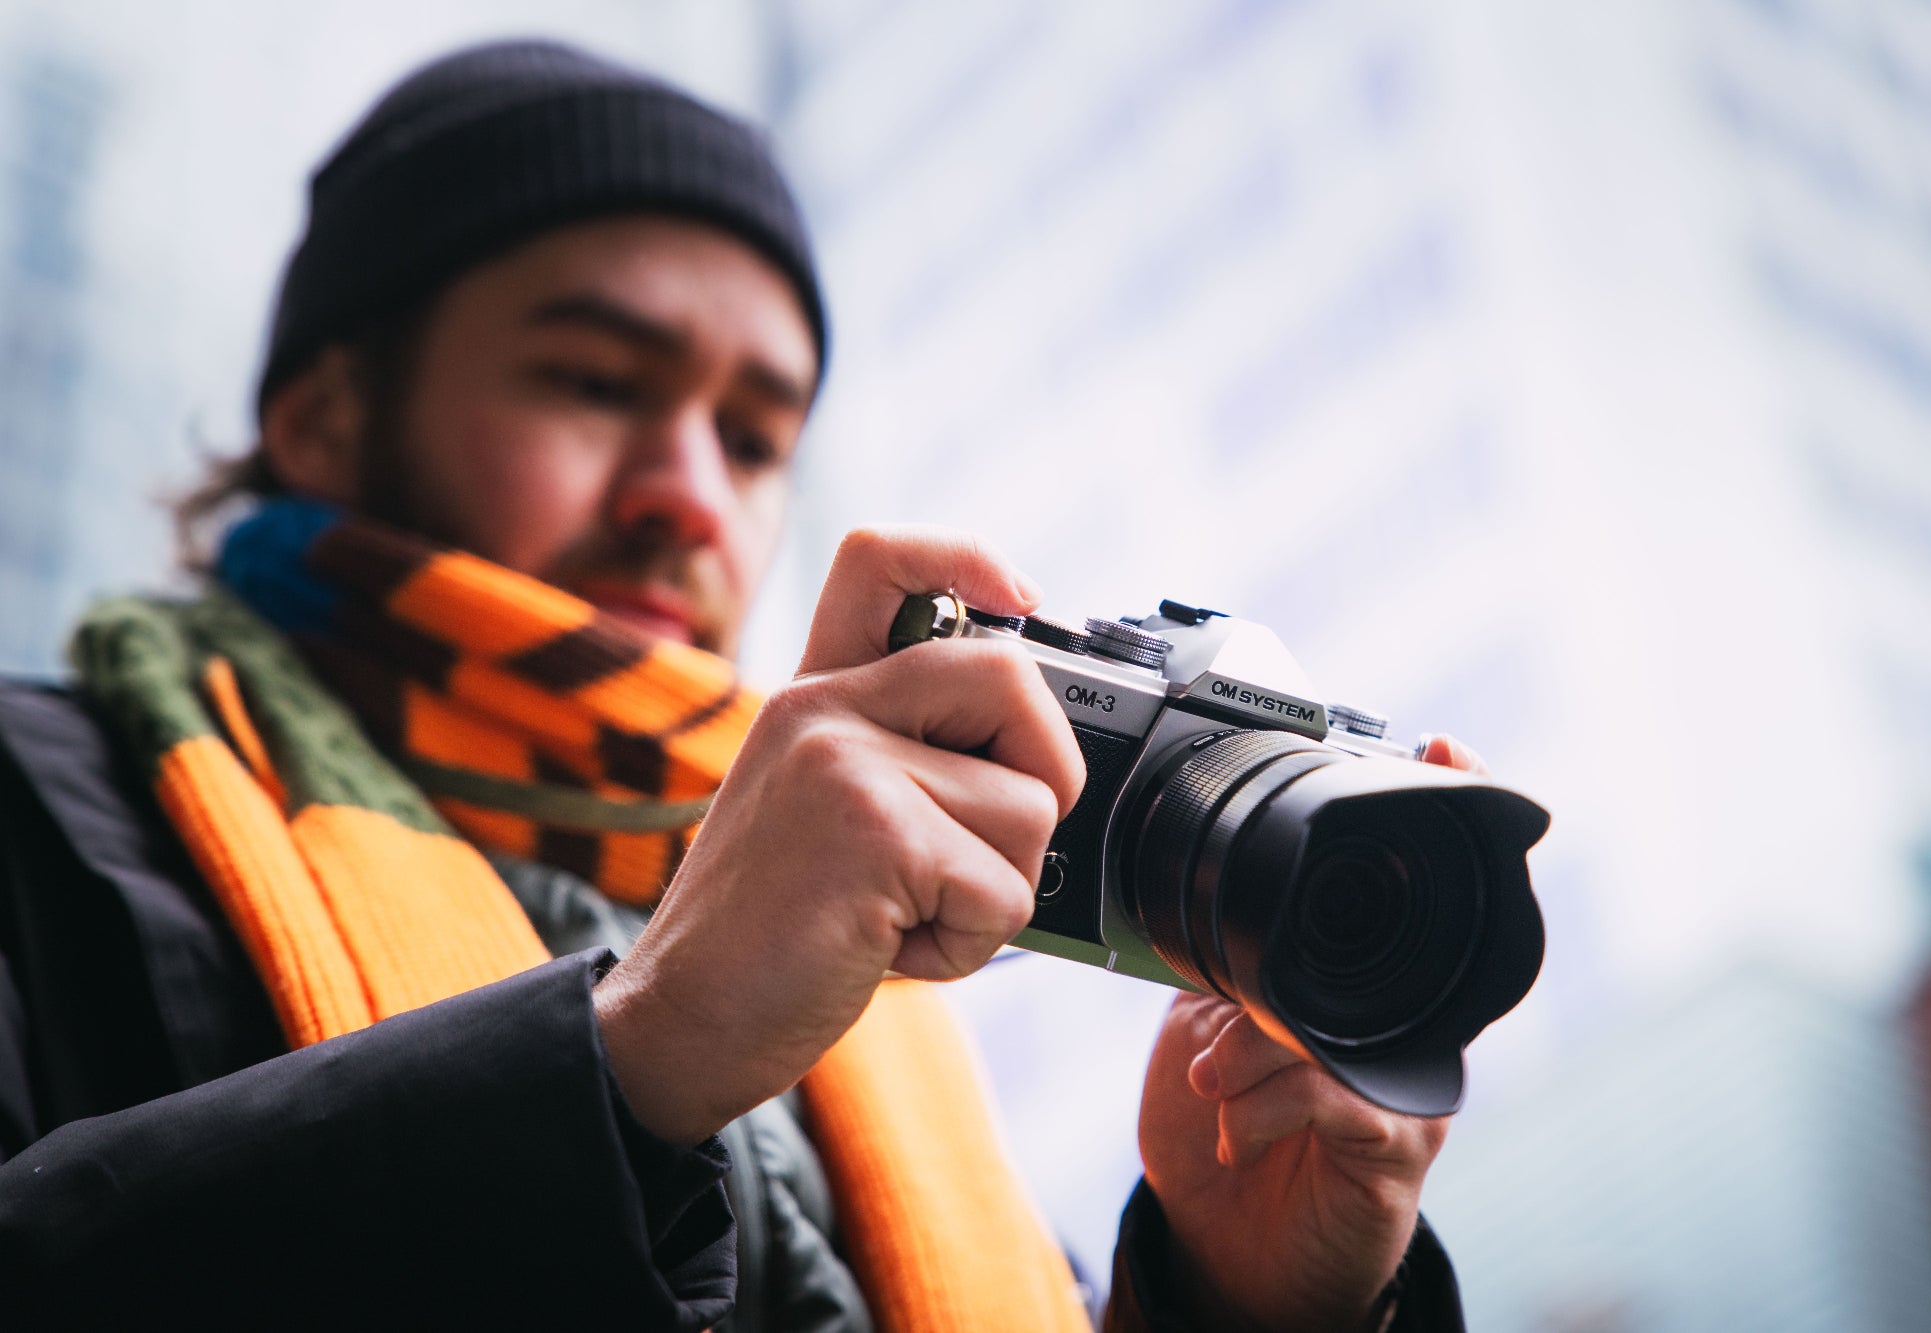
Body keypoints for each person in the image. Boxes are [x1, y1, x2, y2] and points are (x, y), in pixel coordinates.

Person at [0, 39, 1481, 1330]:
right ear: (325, 417)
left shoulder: (874, 990)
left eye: (756, 437)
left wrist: (1237, 1302)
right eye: (593, 380)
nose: (691, 496)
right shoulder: (32, 791)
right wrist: (633, 1059)